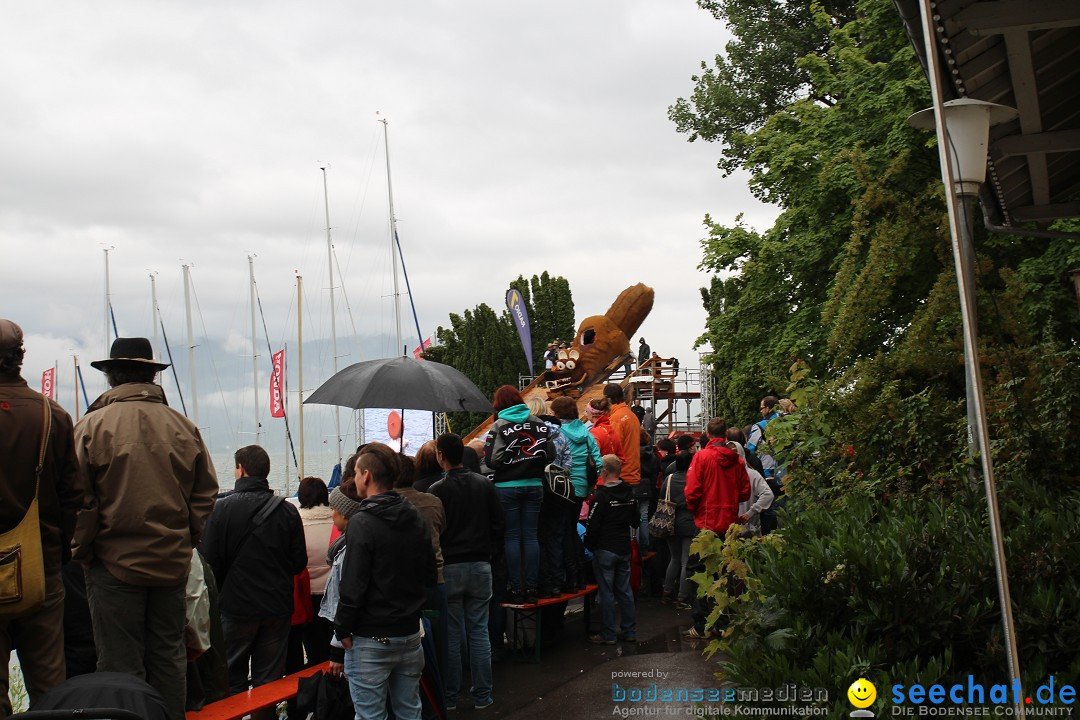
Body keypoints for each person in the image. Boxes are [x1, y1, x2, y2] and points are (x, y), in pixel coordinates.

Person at [72, 337, 218, 720]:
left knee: (120, 665)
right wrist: (186, 538)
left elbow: (77, 499)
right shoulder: (183, 426)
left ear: (111, 376)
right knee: (170, 657)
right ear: (153, 374)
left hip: (112, 563)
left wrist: (83, 551)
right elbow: (206, 492)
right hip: (171, 562)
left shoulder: (91, 427)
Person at [0, 320, 85, 714]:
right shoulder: (52, 415)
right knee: (50, 687)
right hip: (42, 566)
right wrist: (59, 554)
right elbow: (73, 497)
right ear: (20, 358)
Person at [200, 446, 307, 719]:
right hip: (276, 608)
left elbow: (209, 562)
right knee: (268, 681)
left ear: (241, 469)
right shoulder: (287, 511)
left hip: (236, 607)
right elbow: (298, 564)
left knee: (231, 677)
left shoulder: (220, 510)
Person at [335, 443, 436, 720]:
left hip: (372, 636)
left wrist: (342, 627)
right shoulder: (415, 515)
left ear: (366, 476)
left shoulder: (363, 522)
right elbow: (429, 573)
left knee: (370, 715)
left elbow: (353, 585)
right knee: (409, 711)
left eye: (356, 472)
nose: (354, 478)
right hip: (409, 632)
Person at [430, 433, 504, 711]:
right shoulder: (483, 484)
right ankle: (483, 695)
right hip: (480, 564)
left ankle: (449, 697)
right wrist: (490, 554)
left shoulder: (437, 490)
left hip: (450, 566)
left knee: (451, 634)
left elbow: (435, 531)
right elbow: (499, 523)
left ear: (440, 455)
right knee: (479, 631)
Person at [681, 417, 751, 640]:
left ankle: (702, 624)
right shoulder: (737, 461)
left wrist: (696, 510)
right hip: (728, 522)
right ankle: (723, 623)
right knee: (726, 573)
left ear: (708, 435)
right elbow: (745, 493)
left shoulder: (701, 457)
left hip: (706, 522)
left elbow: (692, 491)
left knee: (698, 573)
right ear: (727, 436)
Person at [484, 385, 552, 605]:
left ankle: (516, 588)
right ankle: (532, 588)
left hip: (507, 486)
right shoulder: (539, 423)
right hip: (534, 484)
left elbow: (491, 460)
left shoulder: (499, 425)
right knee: (531, 536)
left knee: (512, 537)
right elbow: (550, 454)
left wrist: (511, 461)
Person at [395, 453, 448, 695]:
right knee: (438, 644)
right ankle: (442, 695)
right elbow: (442, 529)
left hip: (402, 586)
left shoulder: (389, 505)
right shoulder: (432, 500)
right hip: (435, 578)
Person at [549, 396, 602, 592]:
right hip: (581, 488)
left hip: (562, 487)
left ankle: (571, 577)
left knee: (563, 531)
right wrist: (589, 487)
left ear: (557, 413)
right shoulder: (586, 432)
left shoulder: (557, 432)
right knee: (571, 529)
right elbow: (598, 461)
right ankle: (579, 575)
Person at [583, 455, 638, 645]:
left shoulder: (602, 496)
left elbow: (592, 524)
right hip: (623, 546)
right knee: (624, 590)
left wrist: (589, 545)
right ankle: (629, 630)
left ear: (605, 472)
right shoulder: (630, 493)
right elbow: (636, 521)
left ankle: (609, 633)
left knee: (606, 593)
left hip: (605, 547)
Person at [286, 477, 335, 681]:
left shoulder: (296, 523)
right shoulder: (337, 521)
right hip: (333, 595)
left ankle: (312, 694)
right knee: (333, 650)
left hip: (305, 597)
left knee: (313, 649)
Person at [659, 452, 697, 609]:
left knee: (674, 558)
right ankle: (682, 597)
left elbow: (661, 497)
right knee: (685, 561)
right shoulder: (693, 478)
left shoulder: (669, 479)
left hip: (669, 521)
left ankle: (666, 592)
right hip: (688, 521)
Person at [603, 384, 641, 489]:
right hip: (633, 472)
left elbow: (613, 447)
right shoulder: (631, 415)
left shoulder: (616, 418)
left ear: (608, 399)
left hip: (621, 475)